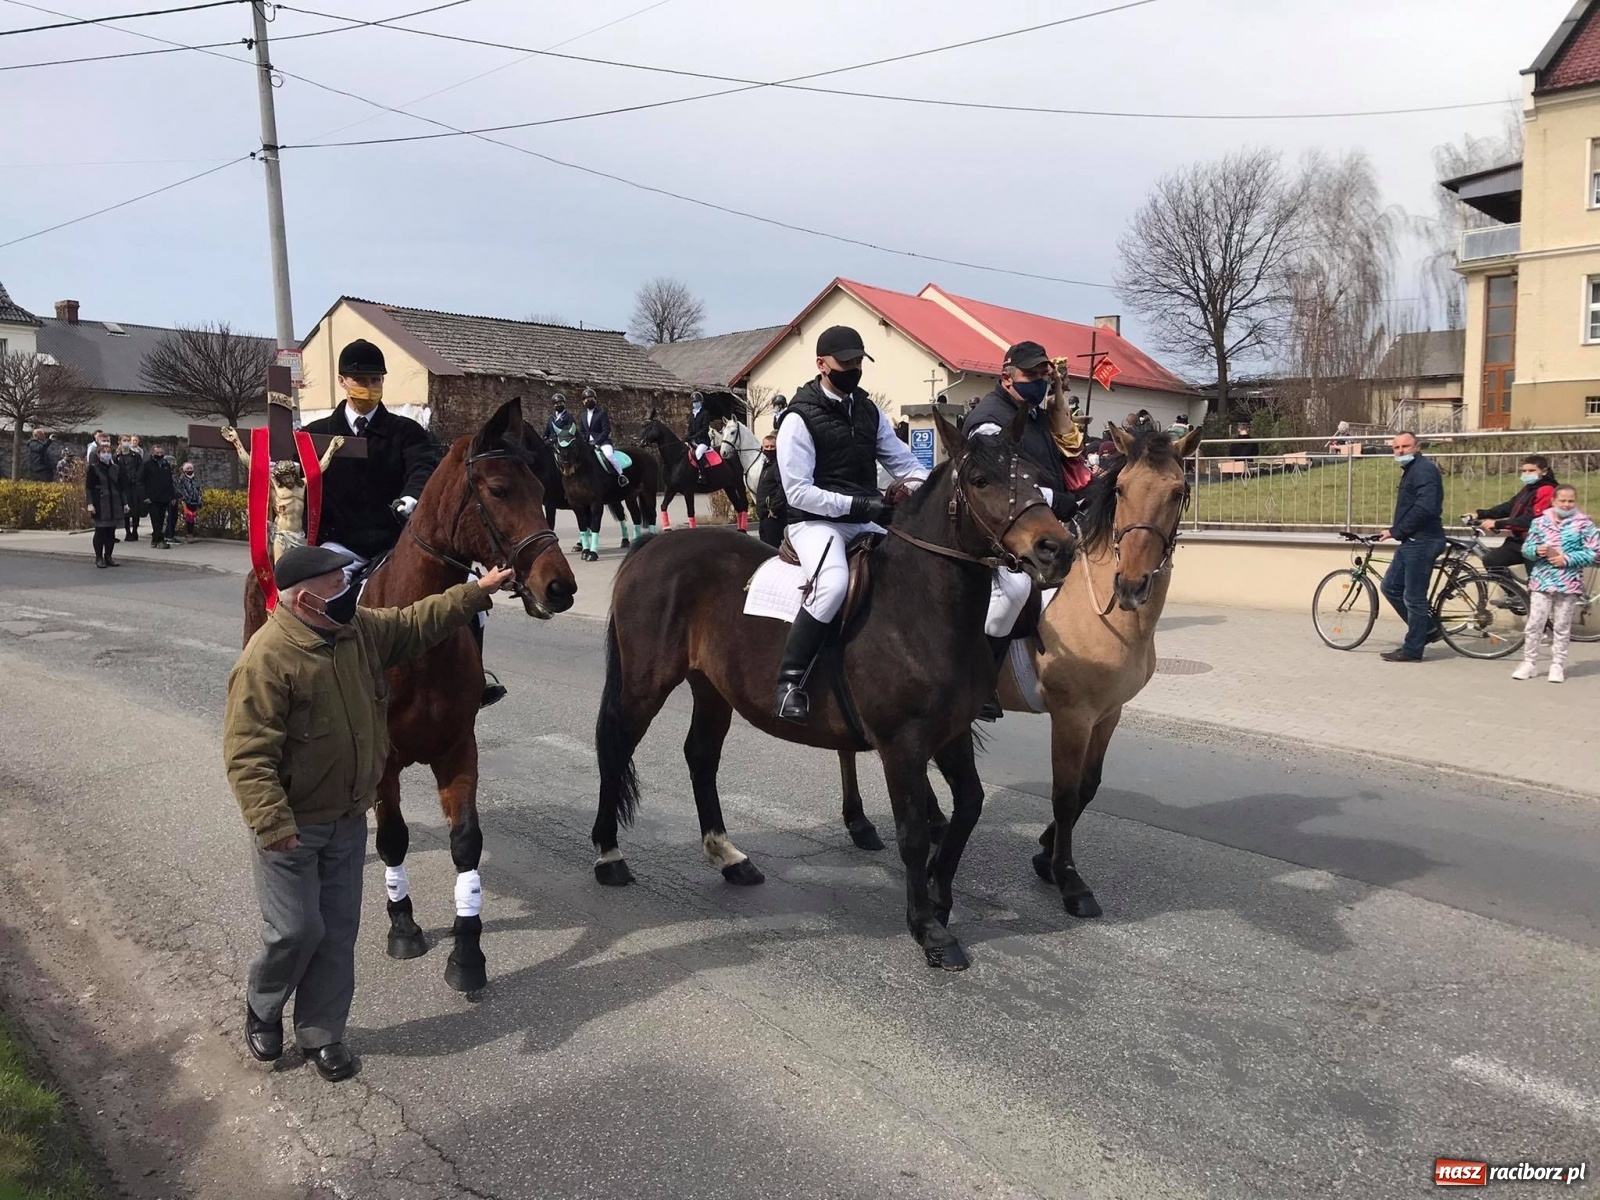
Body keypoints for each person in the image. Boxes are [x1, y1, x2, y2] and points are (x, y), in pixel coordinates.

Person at [223, 545, 515, 1082]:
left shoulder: (357, 632)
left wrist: (479, 591)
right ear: (309, 598)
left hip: (347, 818)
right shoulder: (266, 660)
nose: (350, 592)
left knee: (337, 932)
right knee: (295, 930)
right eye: (339, 584)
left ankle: (322, 1034)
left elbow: (414, 620)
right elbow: (247, 754)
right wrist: (272, 824)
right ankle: (264, 1006)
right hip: (291, 825)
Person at [301, 341, 503, 703]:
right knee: (323, 600)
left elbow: (424, 466)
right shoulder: (315, 434)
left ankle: (476, 674)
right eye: (360, 379)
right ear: (343, 381)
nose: (368, 386)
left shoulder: (405, 431)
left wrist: (412, 496)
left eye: (375, 379)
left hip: (396, 542)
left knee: (472, 587)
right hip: (340, 543)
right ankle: (323, 676)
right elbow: (298, 480)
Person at [773, 325, 928, 723]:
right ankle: (791, 681)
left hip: (864, 517)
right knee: (833, 584)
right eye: (847, 363)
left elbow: (905, 462)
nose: (855, 369)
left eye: (859, 361)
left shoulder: (868, 409)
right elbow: (799, 493)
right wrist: (861, 505)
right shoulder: (798, 418)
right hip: (814, 523)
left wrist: (918, 485)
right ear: (822, 365)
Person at [962, 341, 1081, 719]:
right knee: (1015, 589)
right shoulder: (990, 419)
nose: (1039, 381)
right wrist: (1054, 500)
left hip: (1032, 517)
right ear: (1007, 376)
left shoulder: (1031, 413)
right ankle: (979, 683)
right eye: (1030, 374)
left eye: (1044, 374)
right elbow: (1002, 483)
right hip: (993, 525)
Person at [1514, 485, 1597, 683]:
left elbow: (1595, 552)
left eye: (1570, 501)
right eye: (1563, 501)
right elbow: (1527, 548)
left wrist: (1567, 559)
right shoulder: (1540, 522)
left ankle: (1557, 664)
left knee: (1562, 625)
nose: (1567, 505)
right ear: (1554, 501)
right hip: (1542, 579)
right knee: (1535, 623)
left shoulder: (1584, 524)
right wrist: (1537, 550)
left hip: (1568, 582)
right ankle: (1529, 662)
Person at [1377, 431, 1445, 662]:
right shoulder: (1412, 470)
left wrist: (1397, 530)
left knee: (1414, 598)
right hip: (1411, 540)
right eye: (1396, 448)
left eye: (1405, 446)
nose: (1400, 451)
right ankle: (1426, 629)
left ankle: (1413, 649)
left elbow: (1426, 507)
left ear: (1417, 447)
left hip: (1423, 539)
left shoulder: (1424, 470)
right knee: (1390, 587)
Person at [1470, 456, 1558, 581]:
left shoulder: (1547, 490)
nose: (1526, 474)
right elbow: (1511, 506)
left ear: (1544, 471)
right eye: (1524, 471)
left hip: (1538, 543)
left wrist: (1498, 524)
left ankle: (1530, 596)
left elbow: (1532, 520)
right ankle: (1514, 596)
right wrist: (1481, 514)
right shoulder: (1530, 488)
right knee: (1492, 561)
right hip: (1520, 541)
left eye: (1531, 471)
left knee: (1537, 583)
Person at [84, 443, 129, 568]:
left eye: (108, 452)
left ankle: (108, 556)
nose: (107, 454)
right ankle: (98, 557)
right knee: (100, 532)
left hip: (114, 502)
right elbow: (89, 488)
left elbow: (122, 488)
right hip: (100, 502)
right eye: (103, 452)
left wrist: (125, 503)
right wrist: (90, 503)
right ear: (98, 455)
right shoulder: (94, 468)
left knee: (111, 532)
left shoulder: (116, 468)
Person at [578, 387, 627, 486]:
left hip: (602, 442)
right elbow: (583, 431)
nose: (589, 401)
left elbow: (606, 430)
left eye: (591, 399)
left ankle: (621, 475)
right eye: (587, 400)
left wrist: (596, 441)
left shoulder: (601, 413)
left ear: (595, 400)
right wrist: (584, 441)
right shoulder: (583, 415)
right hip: (588, 443)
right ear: (583, 402)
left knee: (609, 455)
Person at [141, 443, 178, 549]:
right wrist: (145, 496)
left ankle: (155, 539)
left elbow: (169, 482)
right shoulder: (147, 465)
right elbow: (141, 481)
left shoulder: (166, 465)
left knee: (161, 519)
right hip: (152, 498)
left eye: (161, 453)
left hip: (164, 497)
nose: (159, 454)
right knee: (155, 519)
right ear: (152, 453)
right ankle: (160, 540)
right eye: (157, 453)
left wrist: (173, 496)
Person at [754, 432, 784, 547]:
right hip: (763, 516)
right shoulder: (767, 465)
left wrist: (774, 508)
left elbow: (783, 488)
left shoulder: (777, 465)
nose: (769, 449)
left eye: (772, 447)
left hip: (772, 517)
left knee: (772, 549)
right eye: (766, 447)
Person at [115, 436, 144, 542]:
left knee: (136, 509)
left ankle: (135, 531)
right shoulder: (117, 457)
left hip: (134, 486)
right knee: (126, 510)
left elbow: (141, 469)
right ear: (120, 442)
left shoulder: (135, 456)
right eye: (124, 441)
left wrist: (135, 478)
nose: (126, 443)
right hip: (123, 487)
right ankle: (127, 532)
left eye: (128, 440)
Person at [686, 391, 715, 475]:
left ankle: (702, 475)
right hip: (693, 440)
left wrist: (694, 436)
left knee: (698, 454)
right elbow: (690, 428)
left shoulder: (705, 413)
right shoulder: (691, 415)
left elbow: (704, 429)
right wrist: (688, 436)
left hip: (703, 441)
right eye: (694, 402)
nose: (695, 403)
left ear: (701, 402)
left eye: (697, 402)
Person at [176, 460, 203, 541]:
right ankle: (189, 534)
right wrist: (185, 498)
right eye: (187, 469)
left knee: (193, 518)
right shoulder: (182, 479)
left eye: (191, 468)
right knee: (189, 518)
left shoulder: (196, 479)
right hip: (187, 502)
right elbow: (181, 490)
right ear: (184, 470)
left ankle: (191, 533)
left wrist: (200, 500)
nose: (189, 470)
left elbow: (199, 490)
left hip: (195, 501)